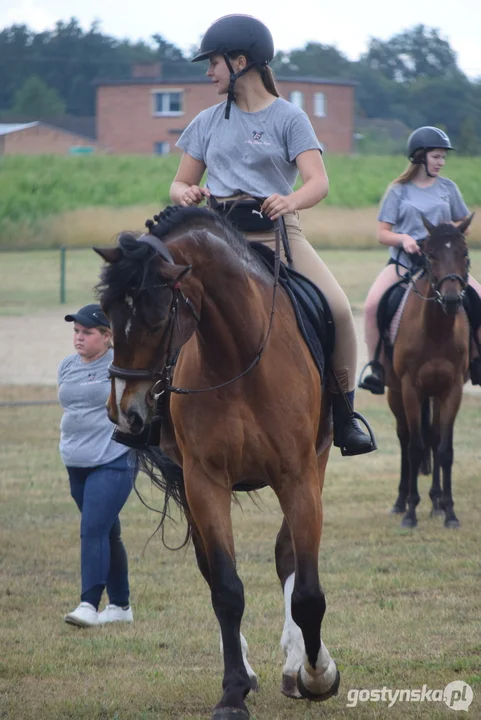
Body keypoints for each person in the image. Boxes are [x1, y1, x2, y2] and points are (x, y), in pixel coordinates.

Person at [168, 14, 375, 456]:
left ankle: (345, 414)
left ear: (241, 62)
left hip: (276, 233)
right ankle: (156, 414)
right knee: (164, 303)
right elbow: (177, 183)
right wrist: (187, 193)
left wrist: (290, 201)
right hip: (217, 236)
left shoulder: (289, 118)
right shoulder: (205, 121)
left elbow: (318, 182)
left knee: (338, 310)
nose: (209, 73)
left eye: (214, 64)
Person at [359, 125, 481, 395]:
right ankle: (377, 368)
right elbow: (382, 233)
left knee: (478, 297)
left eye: (443, 157)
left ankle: (476, 359)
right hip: (405, 263)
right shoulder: (398, 191)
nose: (441, 162)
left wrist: (450, 228)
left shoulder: (448, 188)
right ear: (419, 156)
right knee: (371, 306)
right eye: (436, 156)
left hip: (445, 265)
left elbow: (464, 223)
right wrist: (403, 239)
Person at [58, 303, 138, 627]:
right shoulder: (66, 365)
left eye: (87, 332)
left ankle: (88, 605)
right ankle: (120, 607)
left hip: (113, 459)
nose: (79, 337)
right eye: (76, 331)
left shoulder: (120, 365)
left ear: (107, 337)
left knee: (92, 528)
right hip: (75, 462)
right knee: (108, 532)